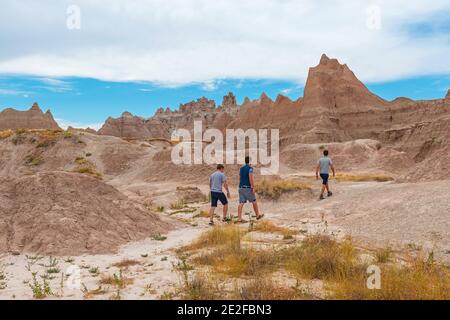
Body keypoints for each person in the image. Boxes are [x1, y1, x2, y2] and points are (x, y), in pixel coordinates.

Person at [237, 156, 264, 223]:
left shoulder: (241, 169)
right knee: (254, 201)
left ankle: (239, 219)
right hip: (248, 188)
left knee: (241, 203)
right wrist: (253, 187)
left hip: (241, 187)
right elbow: (251, 178)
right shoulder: (250, 169)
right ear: (250, 161)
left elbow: (239, 178)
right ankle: (257, 215)